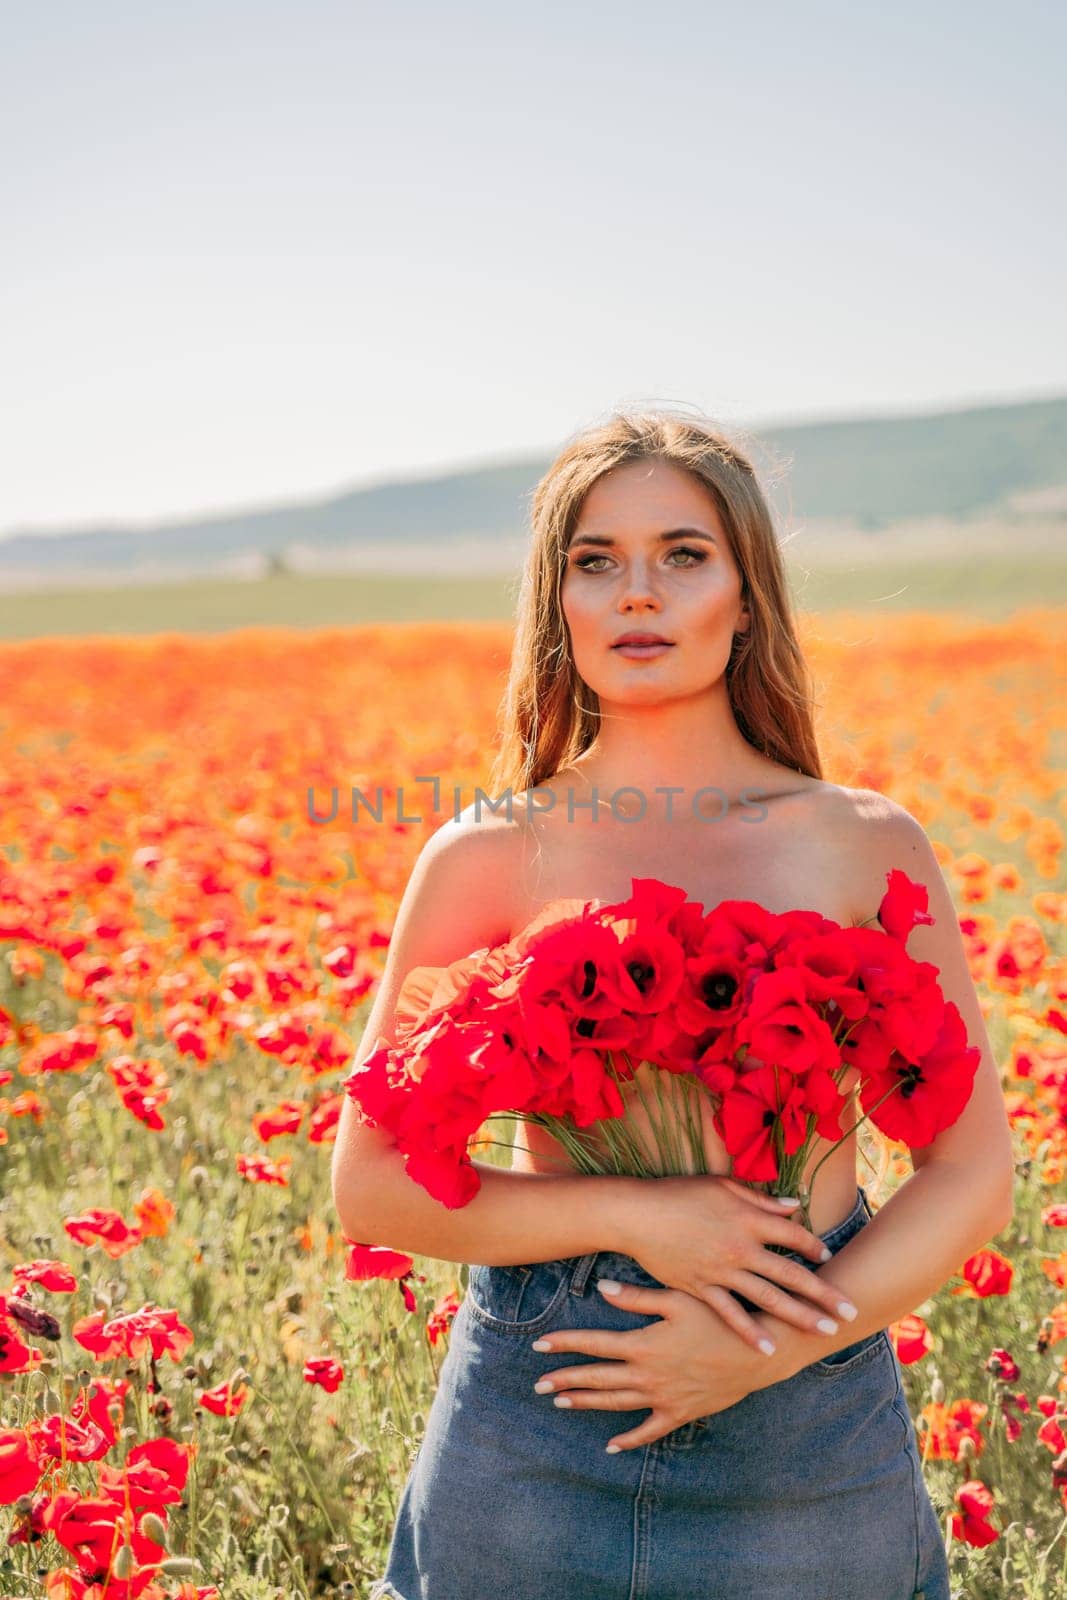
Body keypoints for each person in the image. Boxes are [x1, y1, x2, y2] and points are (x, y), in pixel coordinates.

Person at [331, 408, 1014, 1600]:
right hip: (537, 1421)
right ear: (559, 607)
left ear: (746, 597)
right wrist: (645, 1220)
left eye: (681, 555)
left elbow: (971, 1173)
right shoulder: (484, 852)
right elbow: (370, 1183)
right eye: (594, 562)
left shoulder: (860, 844)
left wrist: (762, 1345)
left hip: (806, 1429)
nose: (635, 593)